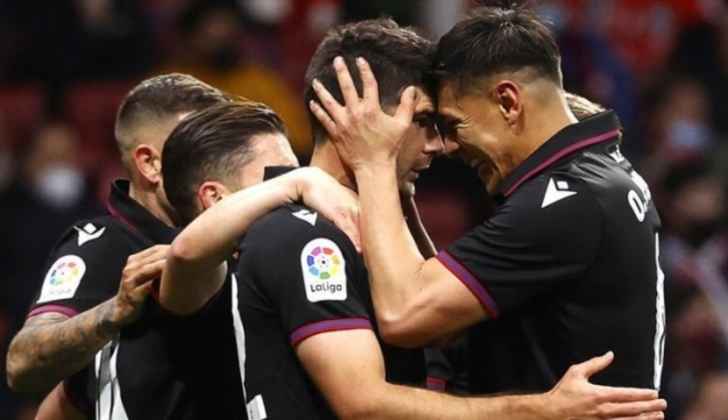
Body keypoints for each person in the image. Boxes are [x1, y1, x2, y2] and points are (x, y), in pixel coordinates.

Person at [161, 19, 666, 420]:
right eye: (425, 122)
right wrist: (539, 411)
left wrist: (389, 188)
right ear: (358, 115)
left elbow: (433, 327)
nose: (442, 145)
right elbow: (365, 401)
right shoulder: (305, 237)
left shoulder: (567, 195)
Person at [307, 5, 665, 393]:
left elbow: (403, 315)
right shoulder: (601, 176)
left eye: (453, 124)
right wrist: (401, 196)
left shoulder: (567, 201)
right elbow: (445, 321)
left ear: (508, 102)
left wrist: (375, 162)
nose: (447, 146)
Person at [5, 73, 252, 419]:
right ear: (150, 164)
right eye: (202, 150)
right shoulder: (103, 245)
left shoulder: (241, 236)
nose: (220, 164)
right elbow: (22, 362)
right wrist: (115, 311)